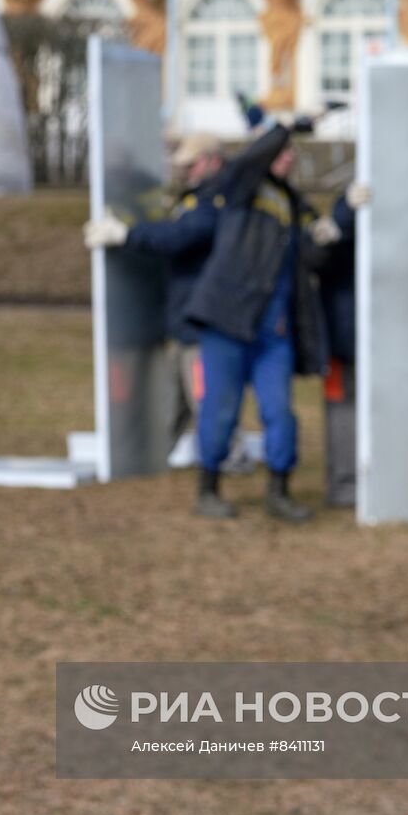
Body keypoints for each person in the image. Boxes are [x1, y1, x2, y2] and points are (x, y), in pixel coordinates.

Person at [182, 122, 326, 522]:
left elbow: (317, 254)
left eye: (292, 152)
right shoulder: (243, 185)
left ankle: (279, 491)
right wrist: (287, 126)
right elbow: (253, 155)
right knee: (220, 410)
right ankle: (207, 490)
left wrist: (335, 225)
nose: (289, 157)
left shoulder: (292, 203)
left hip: (272, 332)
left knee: (280, 412)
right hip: (227, 320)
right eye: (283, 152)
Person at [84, 132, 224, 445]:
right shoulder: (190, 198)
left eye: (192, 165)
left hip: (199, 318)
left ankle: (226, 454)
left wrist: (126, 235)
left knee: (204, 396)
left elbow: (177, 236)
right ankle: (157, 449)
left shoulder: (213, 202)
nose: (186, 171)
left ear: (213, 162)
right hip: (181, 316)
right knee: (174, 397)